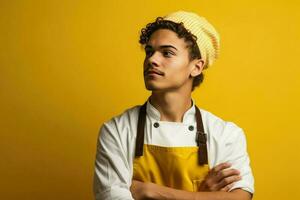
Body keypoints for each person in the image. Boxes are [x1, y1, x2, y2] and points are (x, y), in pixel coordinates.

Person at [93, 10, 254, 200]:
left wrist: (150, 191)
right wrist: (202, 196)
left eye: (167, 53)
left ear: (196, 67)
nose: (152, 60)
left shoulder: (226, 134)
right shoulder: (117, 131)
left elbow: (240, 197)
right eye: (149, 51)